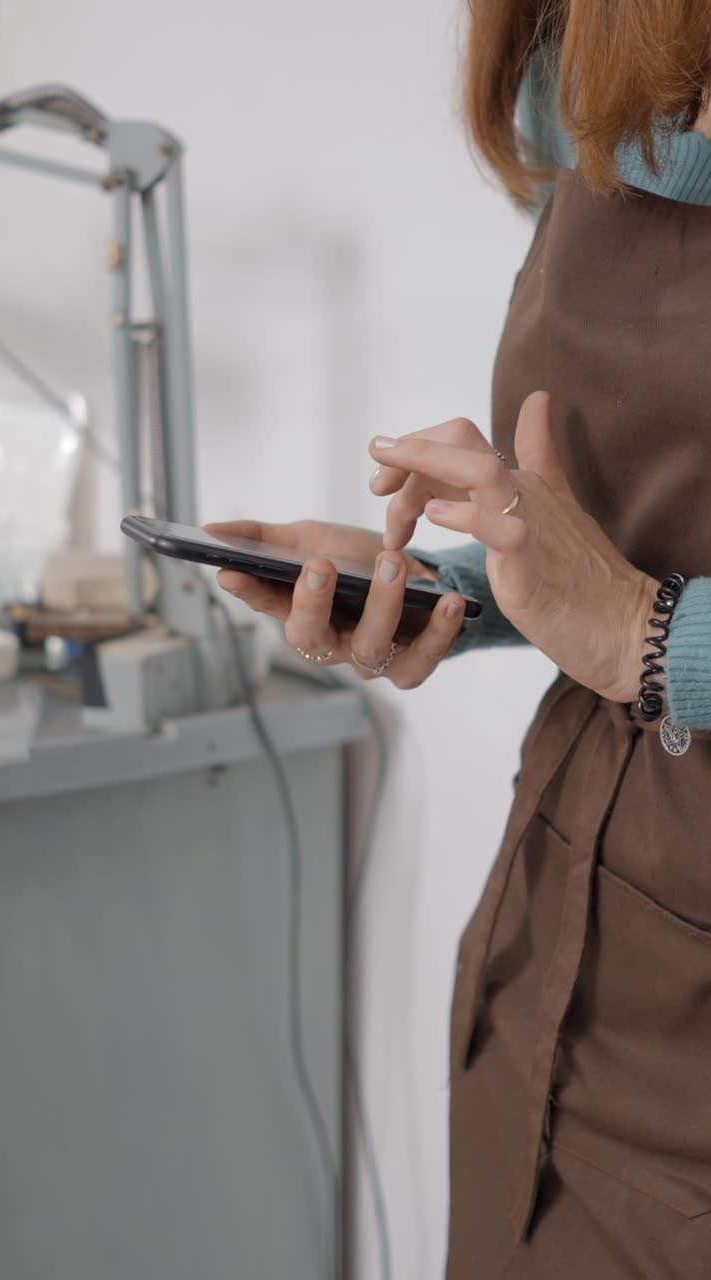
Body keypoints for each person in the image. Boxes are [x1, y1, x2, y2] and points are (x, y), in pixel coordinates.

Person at [209, 4, 711, 1275]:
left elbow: (636, 611)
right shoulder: (587, 65)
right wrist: (461, 585)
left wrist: (658, 636)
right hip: (551, 973)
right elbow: (618, 538)